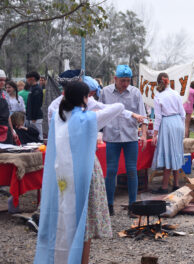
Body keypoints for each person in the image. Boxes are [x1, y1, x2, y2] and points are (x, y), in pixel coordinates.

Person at [34, 81, 125, 264]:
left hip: (60, 176)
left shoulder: (57, 118)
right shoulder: (88, 118)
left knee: (61, 217)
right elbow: (119, 106)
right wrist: (92, 103)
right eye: (88, 96)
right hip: (85, 174)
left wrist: (78, 98)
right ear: (84, 98)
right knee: (83, 224)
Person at [99, 65, 147, 217]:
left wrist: (144, 135)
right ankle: (109, 205)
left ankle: (133, 206)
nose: (125, 84)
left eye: (128, 80)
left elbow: (142, 116)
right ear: (115, 79)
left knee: (132, 171)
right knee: (111, 171)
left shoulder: (135, 93)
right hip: (112, 136)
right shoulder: (105, 92)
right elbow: (99, 112)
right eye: (122, 81)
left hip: (130, 136)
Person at [151, 73, 185, 194]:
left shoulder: (158, 96)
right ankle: (176, 184)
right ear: (168, 81)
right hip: (178, 122)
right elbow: (183, 113)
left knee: (168, 153)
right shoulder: (176, 94)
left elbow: (158, 117)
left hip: (167, 123)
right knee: (176, 152)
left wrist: (155, 133)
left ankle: (164, 186)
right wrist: (182, 127)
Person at [25, 71, 43, 140]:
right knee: (32, 135)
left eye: (27, 79)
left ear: (32, 78)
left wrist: (34, 118)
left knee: (38, 134)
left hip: (36, 117)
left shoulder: (37, 89)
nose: (27, 81)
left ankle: (41, 147)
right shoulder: (32, 88)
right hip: (30, 116)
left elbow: (37, 104)